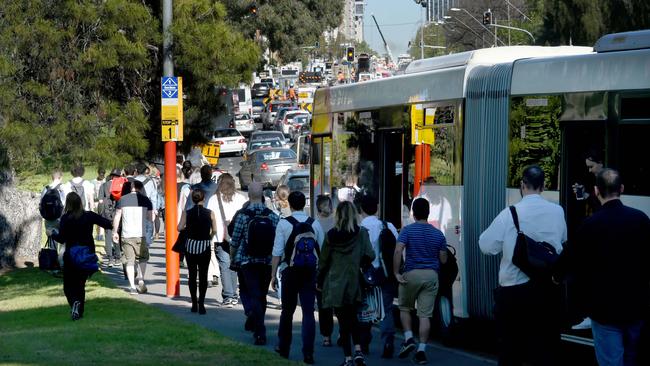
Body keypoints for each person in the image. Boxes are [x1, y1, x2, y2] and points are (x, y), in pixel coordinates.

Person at [554, 169, 650, 366]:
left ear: (596, 191)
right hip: (637, 308)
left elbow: (568, 259)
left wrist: (556, 276)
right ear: (621, 189)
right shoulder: (641, 219)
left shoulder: (590, 224)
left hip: (604, 311)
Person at [479, 165, 566, 366]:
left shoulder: (510, 213)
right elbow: (561, 244)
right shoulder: (557, 211)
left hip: (513, 293)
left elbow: (486, 245)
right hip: (546, 293)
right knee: (544, 351)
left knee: (510, 351)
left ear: (521, 185)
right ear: (544, 186)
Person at [318, 201, 375, 366]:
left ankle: (348, 358)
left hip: (335, 281)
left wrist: (320, 280)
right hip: (354, 281)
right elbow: (370, 255)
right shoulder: (361, 233)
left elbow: (323, 261)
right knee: (354, 318)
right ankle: (358, 351)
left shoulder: (331, 235)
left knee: (343, 321)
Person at [271, 191, 324, 364]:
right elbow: (321, 250)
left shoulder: (284, 224)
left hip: (290, 271)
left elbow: (277, 252)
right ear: (304, 204)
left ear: (290, 205)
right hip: (310, 272)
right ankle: (308, 352)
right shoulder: (314, 224)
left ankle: (284, 347)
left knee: (287, 310)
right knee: (308, 312)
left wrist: (273, 275)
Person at [394, 197, 448, 365]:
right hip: (431, 276)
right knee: (425, 315)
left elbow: (398, 251)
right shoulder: (439, 234)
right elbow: (444, 260)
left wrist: (396, 272)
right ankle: (421, 351)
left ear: (413, 213)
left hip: (412, 274)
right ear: (428, 212)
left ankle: (409, 338)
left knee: (404, 307)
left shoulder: (407, 230)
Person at [230, 182, 280, 346]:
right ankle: (258, 324)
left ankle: (259, 331)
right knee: (262, 296)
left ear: (249, 196)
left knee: (253, 295)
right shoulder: (272, 216)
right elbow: (278, 241)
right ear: (263, 196)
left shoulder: (243, 215)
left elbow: (235, 240)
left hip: (247, 261)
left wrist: (233, 258)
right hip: (266, 261)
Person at [49, 192, 112, 320]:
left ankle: (74, 303)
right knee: (80, 285)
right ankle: (79, 311)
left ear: (68, 204)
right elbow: (107, 223)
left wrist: (51, 233)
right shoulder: (89, 216)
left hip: (71, 255)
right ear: (80, 202)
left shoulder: (66, 218)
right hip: (86, 255)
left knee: (68, 286)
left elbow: (61, 239)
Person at [358, 194, 399, 358]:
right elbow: (397, 249)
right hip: (386, 273)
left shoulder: (359, 227)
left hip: (365, 274)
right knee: (386, 308)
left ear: (361, 209)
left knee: (365, 308)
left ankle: (364, 343)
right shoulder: (387, 226)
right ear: (377, 207)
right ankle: (388, 341)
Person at [206, 173, 247, 307]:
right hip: (237, 237)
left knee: (224, 265)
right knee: (234, 266)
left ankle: (228, 296)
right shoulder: (240, 198)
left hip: (220, 236)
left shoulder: (213, 199)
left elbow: (209, 217)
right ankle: (233, 295)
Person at [178, 189, 218, 314]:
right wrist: (209, 237)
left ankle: (194, 303)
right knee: (203, 275)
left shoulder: (187, 212)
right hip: (204, 245)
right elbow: (215, 230)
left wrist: (187, 228)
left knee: (192, 275)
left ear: (192, 199)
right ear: (203, 199)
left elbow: (179, 227)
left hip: (191, 245)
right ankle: (202, 303)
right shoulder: (210, 213)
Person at [112, 180, 153, 294]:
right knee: (142, 258)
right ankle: (141, 280)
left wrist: (115, 232)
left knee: (129, 261)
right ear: (140, 188)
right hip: (141, 234)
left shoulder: (122, 199)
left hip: (127, 234)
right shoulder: (146, 200)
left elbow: (117, 217)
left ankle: (132, 286)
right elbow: (150, 219)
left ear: (131, 188)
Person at [314, 195, 335, 347]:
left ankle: (327, 335)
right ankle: (329, 334)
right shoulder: (337, 222)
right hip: (331, 267)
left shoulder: (314, 224)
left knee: (324, 304)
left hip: (322, 267)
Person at [41, 170, 66, 268]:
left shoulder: (46, 188)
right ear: (61, 177)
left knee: (52, 240)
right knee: (63, 241)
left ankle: (52, 263)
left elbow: (41, 205)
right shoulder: (63, 188)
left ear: (52, 177)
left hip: (48, 219)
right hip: (61, 217)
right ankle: (62, 263)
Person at [98, 169, 123, 266]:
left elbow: (100, 201)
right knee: (116, 233)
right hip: (117, 212)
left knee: (108, 236)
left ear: (111, 176)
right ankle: (118, 257)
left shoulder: (104, 185)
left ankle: (110, 259)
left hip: (106, 213)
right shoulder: (121, 186)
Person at [91, 168, 106, 241]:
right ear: (98, 173)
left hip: (103, 202)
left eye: (103, 175)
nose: (101, 176)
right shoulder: (93, 182)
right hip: (95, 202)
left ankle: (101, 235)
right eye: (100, 174)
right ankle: (98, 234)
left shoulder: (106, 181)